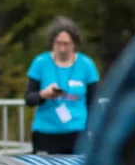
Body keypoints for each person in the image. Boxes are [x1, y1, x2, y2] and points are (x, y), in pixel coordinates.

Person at [24, 16, 100, 154]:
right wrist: (43, 94)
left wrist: (92, 131)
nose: (62, 48)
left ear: (74, 44)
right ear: (52, 42)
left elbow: (93, 102)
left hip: (76, 133)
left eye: (67, 44)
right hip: (46, 132)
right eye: (58, 43)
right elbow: (28, 99)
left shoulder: (87, 65)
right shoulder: (40, 63)